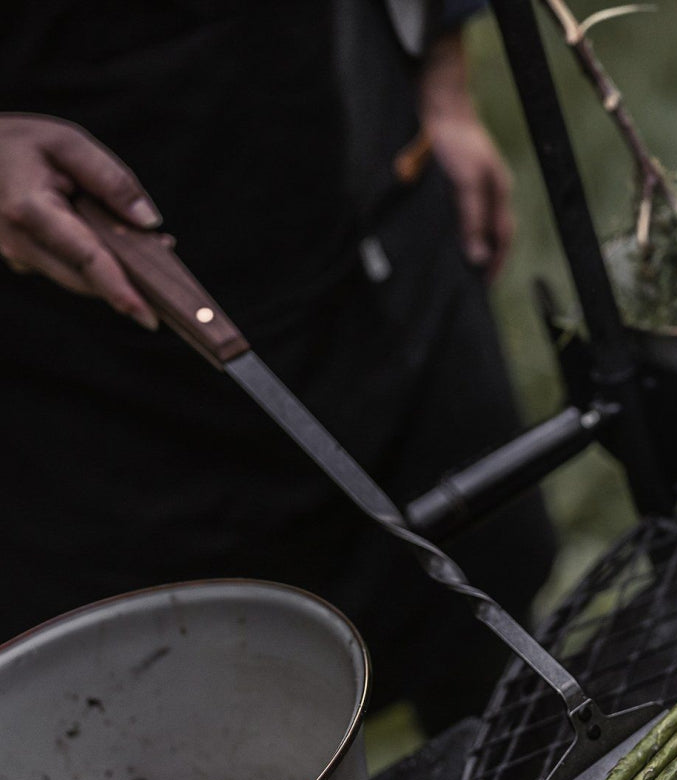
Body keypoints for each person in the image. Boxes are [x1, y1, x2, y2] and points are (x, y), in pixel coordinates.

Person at [0, 0, 556, 734]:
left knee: (495, 656)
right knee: (170, 750)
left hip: (372, 198)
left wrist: (443, 83)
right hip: (88, 368)